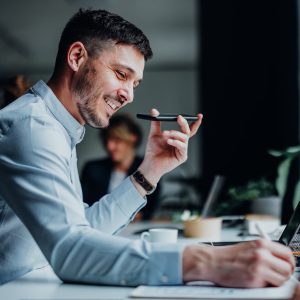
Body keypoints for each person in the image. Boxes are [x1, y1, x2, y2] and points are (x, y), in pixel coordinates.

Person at [0, 9, 295, 287]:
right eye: (121, 74)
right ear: (77, 57)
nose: (128, 95)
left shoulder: (57, 127)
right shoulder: (32, 128)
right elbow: (69, 249)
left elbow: (81, 230)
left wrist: (148, 173)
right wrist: (203, 260)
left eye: (135, 84)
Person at [81, 113, 161, 220]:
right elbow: (84, 207)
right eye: (107, 140)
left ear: (133, 138)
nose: (110, 146)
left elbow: (149, 210)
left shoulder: (148, 168)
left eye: (117, 139)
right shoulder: (92, 169)